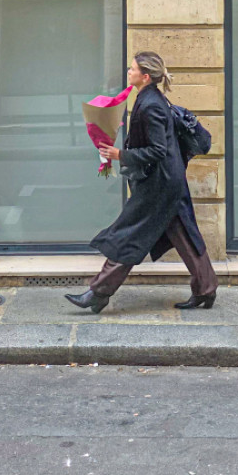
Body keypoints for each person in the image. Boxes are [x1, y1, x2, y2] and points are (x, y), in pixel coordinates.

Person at [65, 51, 218, 315]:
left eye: (132, 69)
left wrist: (119, 155)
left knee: (130, 234)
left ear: (145, 76)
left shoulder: (150, 105)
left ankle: (98, 293)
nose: (129, 72)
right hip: (171, 181)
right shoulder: (151, 99)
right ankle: (206, 288)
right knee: (184, 234)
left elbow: (158, 150)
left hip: (160, 185)